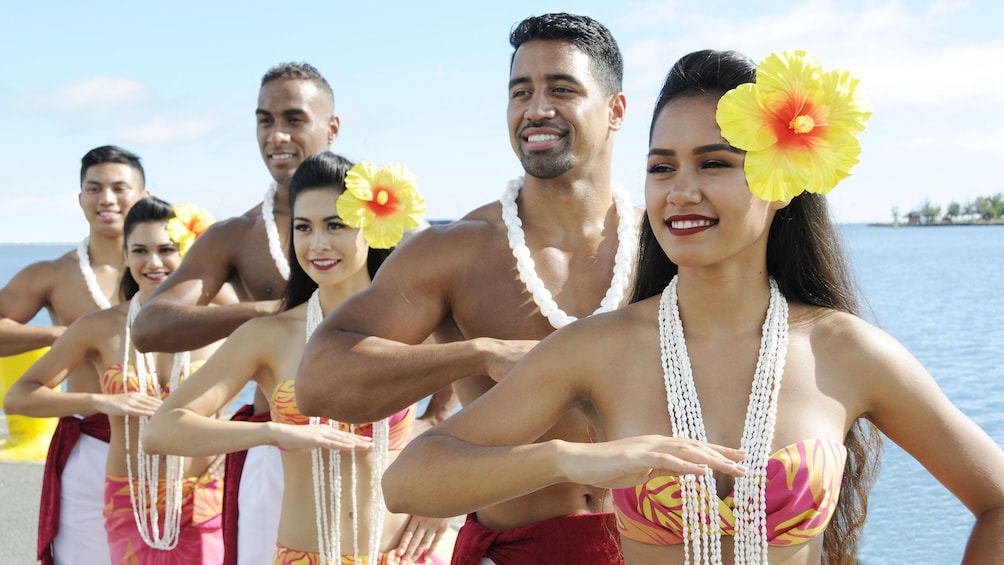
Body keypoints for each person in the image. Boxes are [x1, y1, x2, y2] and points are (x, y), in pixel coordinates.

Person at [382, 49, 1004, 564]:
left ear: (779, 182)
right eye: (661, 167)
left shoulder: (844, 349)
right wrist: (578, 460)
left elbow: (995, 502)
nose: (681, 191)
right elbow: (408, 478)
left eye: (714, 163)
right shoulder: (601, 347)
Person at [296, 13, 640, 564]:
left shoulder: (666, 247)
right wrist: (478, 354)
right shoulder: (458, 250)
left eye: (562, 89)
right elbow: (318, 381)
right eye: (520, 92)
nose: (537, 109)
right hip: (511, 551)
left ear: (615, 110)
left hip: (653, 546)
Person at [144, 151, 452, 564]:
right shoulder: (268, 336)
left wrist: (448, 503)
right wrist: (274, 434)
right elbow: (162, 430)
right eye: (304, 228)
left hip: (402, 555)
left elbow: (502, 404)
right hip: (303, 555)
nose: (317, 243)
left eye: (335, 225)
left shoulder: (417, 329)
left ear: (372, 227)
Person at [129, 62, 344, 564]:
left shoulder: (383, 223)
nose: (277, 135)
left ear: (331, 126)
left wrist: (435, 423)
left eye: (293, 118)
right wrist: (275, 311)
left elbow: (443, 316)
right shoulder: (238, 235)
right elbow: (150, 326)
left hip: (380, 452)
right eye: (264, 121)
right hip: (280, 455)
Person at [4, 196, 234, 563]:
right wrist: (101, 401)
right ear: (125, 255)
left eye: (166, 249)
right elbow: (18, 397)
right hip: (128, 494)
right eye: (140, 250)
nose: (153, 262)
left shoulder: (225, 324)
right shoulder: (101, 328)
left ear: (189, 252)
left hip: (205, 490)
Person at [0, 145, 147, 564]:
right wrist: (64, 336)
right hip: (91, 439)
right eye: (94, 188)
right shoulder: (55, 274)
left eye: (120, 187)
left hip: (161, 440)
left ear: (143, 193)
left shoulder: (175, 271)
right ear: (80, 198)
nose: (107, 199)